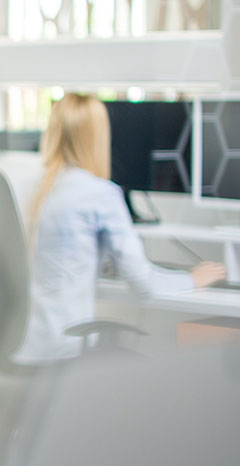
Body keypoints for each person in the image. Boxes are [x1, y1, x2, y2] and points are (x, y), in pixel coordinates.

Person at [13, 93, 226, 363]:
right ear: (97, 137)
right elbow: (143, 283)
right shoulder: (101, 193)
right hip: (63, 349)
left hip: (21, 347)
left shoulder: (26, 189)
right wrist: (193, 278)